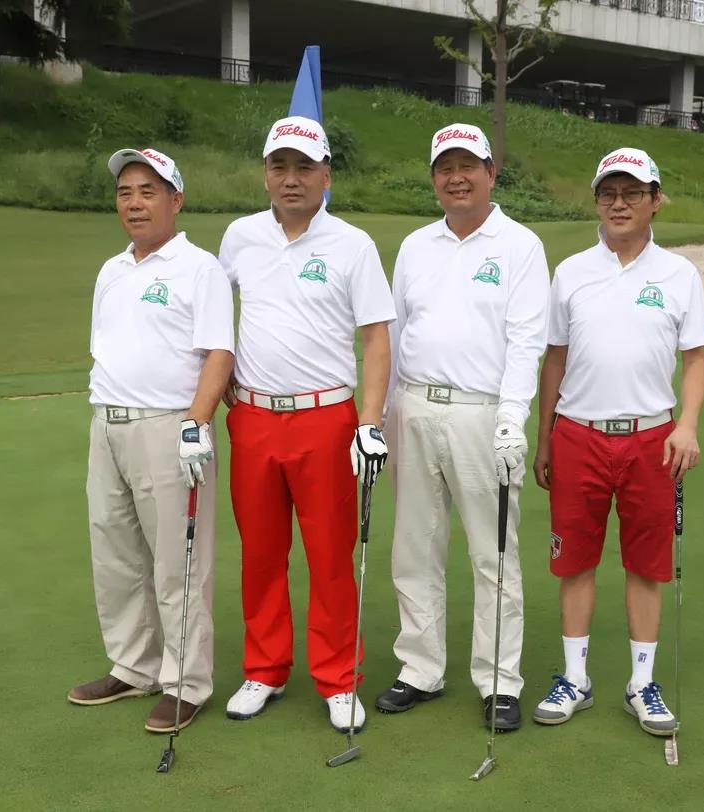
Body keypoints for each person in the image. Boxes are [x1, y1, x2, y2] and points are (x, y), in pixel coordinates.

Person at [217, 116, 395, 734]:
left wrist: (369, 421)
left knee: (329, 556)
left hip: (326, 419)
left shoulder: (353, 244)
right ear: (265, 173)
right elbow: (210, 316)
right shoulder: (240, 236)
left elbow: (376, 339)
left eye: (303, 167)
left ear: (326, 176)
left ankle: (338, 677)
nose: (290, 179)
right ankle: (264, 668)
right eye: (279, 167)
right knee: (261, 552)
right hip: (253, 417)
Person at [530, 147, 704, 737]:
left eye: (633, 193)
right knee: (575, 561)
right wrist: (545, 437)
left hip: (651, 438)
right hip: (578, 433)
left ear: (656, 200)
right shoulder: (571, 272)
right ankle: (575, 678)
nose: (619, 203)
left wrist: (687, 425)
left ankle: (641, 684)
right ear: (596, 201)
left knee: (645, 565)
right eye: (608, 193)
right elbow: (555, 359)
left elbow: (695, 359)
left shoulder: (679, 274)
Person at [376, 124, 550, 731]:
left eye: (468, 166)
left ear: (490, 173)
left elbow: (526, 340)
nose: (457, 178)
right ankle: (420, 667)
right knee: (414, 545)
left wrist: (512, 418)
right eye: (445, 168)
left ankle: (499, 679)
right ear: (434, 179)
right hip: (413, 407)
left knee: (492, 552)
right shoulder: (415, 245)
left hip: (483, 414)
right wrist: (380, 416)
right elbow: (395, 334)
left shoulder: (520, 245)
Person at [67, 148, 236, 734]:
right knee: (114, 554)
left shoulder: (199, 268)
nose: (134, 203)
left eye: (148, 191)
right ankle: (133, 666)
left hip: (169, 428)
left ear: (175, 199)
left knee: (177, 564)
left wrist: (197, 422)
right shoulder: (112, 270)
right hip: (107, 424)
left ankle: (186, 682)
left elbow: (219, 352)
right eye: (125, 193)